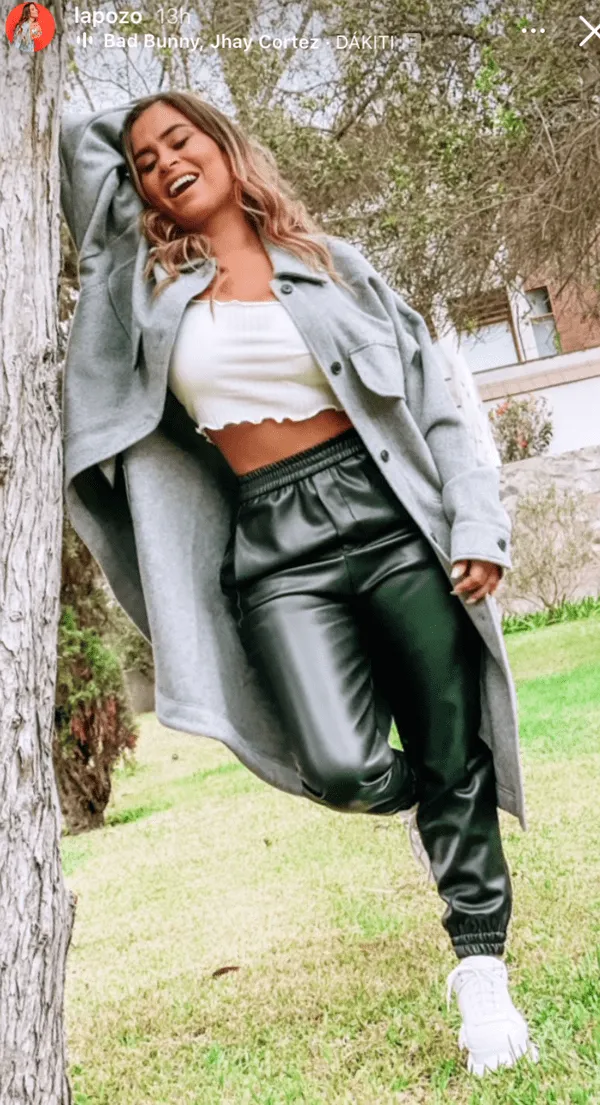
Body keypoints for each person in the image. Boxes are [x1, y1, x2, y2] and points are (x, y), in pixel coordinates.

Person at [59, 91, 538, 1077]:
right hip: (275, 543)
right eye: (146, 161)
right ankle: (431, 803)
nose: (163, 163)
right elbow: (80, 146)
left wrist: (476, 523)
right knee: (341, 764)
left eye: (182, 140)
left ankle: (482, 972)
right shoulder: (145, 285)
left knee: (451, 744)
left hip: (393, 516)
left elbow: (437, 404)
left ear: (227, 146)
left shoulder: (333, 266)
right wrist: (58, 53)